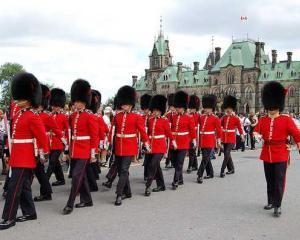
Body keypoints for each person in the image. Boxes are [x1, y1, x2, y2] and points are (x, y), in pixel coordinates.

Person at [0, 72, 49, 230]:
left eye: (20, 98)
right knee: (25, 186)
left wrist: (43, 153)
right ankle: (30, 212)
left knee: (14, 187)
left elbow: (42, 137)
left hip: (26, 157)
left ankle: (9, 217)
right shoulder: (20, 114)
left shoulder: (32, 116)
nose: (17, 101)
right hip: (18, 155)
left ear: (28, 99)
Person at [254, 81, 300, 217]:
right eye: (270, 107)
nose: (271, 109)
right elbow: (256, 130)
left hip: (281, 153)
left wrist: (297, 145)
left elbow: (297, 135)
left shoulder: (286, 120)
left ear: (278, 106)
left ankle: (278, 205)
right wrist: (256, 135)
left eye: (274, 107)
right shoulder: (263, 120)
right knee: (269, 180)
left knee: (279, 180)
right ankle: (270, 201)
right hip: (267, 153)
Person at [108, 86, 150, 206]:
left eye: (126, 104)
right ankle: (128, 192)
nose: (124, 106)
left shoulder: (136, 117)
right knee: (123, 171)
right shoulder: (117, 116)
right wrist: (109, 142)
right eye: (123, 104)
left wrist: (146, 143)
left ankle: (119, 194)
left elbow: (142, 131)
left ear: (130, 105)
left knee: (123, 170)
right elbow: (113, 130)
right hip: (119, 146)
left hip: (130, 146)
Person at [62, 79, 98, 215]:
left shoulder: (90, 116)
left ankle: (69, 204)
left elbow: (94, 136)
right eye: (74, 101)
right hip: (75, 149)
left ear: (83, 101)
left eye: (77, 101)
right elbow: (70, 133)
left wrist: (93, 153)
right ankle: (87, 200)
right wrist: (67, 149)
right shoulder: (73, 116)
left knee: (76, 176)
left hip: (85, 150)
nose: (75, 104)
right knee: (81, 177)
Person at [34, 85, 66, 202]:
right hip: (32, 147)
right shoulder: (32, 114)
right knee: (39, 171)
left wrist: (65, 144)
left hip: (42, 147)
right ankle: (47, 193)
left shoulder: (46, 116)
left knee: (40, 170)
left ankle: (44, 194)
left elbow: (57, 130)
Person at [145, 95, 176, 196]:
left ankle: (148, 186)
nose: (155, 112)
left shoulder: (164, 120)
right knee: (156, 166)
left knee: (153, 164)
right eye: (154, 110)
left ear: (161, 111)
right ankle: (161, 185)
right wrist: (146, 144)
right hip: (151, 146)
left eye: (157, 110)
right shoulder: (150, 120)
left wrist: (173, 142)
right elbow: (148, 134)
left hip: (160, 146)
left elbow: (169, 133)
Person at [170, 91, 196, 190]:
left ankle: (175, 180)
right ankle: (180, 179)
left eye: (179, 107)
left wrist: (194, 140)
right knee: (174, 161)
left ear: (184, 108)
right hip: (174, 143)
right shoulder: (173, 117)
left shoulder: (189, 118)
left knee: (179, 162)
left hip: (184, 142)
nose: (178, 109)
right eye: (177, 107)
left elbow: (192, 130)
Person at [46, 88, 69, 186]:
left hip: (59, 141)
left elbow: (67, 130)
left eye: (57, 106)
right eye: (54, 106)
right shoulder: (49, 115)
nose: (55, 108)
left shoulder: (63, 117)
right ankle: (61, 180)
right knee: (55, 163)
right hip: (50, 141)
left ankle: (45, 180)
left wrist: (66, 143)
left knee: (52, 162)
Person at [197, 94, 222, 184]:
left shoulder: (215, 118)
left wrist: (219, 141)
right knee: (206, 158)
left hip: (210, 140)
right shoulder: (202, 117)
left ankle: (199, 175)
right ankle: (210, 173)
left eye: (208, 108)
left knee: (204, 159)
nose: (206, 109)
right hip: (202, 140)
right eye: (205, 108)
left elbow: (219, 131)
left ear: (211, 108)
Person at [220, 95, 244, 178]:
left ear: (232, 109)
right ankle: (231, 168)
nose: (228, 110)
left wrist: (242, 136)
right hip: (224, 137)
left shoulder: (236, 118)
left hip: (231, 138)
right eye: (227, 108)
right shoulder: (223, 118)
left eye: (229, 108)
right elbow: (220, 126)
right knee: (227, 154)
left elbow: (240, 128)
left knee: (226, 153)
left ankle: (222, 170)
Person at [139, 94, 152, 181]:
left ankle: (150, 174)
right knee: (147, 159)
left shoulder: (152, 117)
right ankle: (146, 175)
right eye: (144, 109)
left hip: (152, 140)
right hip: (144, 140)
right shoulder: (141, 117)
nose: (145, 111)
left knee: (151, 159)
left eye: (146, 109)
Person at [187, 95, 200, 173]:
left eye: (193, 108)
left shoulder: (198, 116)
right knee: (192, 151)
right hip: (188, 135)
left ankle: (190, 166)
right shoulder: (188, 116)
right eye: (190, 108)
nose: (191, 110)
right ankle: (195, 165)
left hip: (195, 135)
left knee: (191, 151)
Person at [165, 93, 176, 168]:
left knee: (173, 150)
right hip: (168, 134)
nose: (172, 108)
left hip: (175, 134)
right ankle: (167, 162)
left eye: (173, 106)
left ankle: (172, 162)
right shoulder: (167, 114)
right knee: (168, 149)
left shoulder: (176, 114)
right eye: (171, 106)